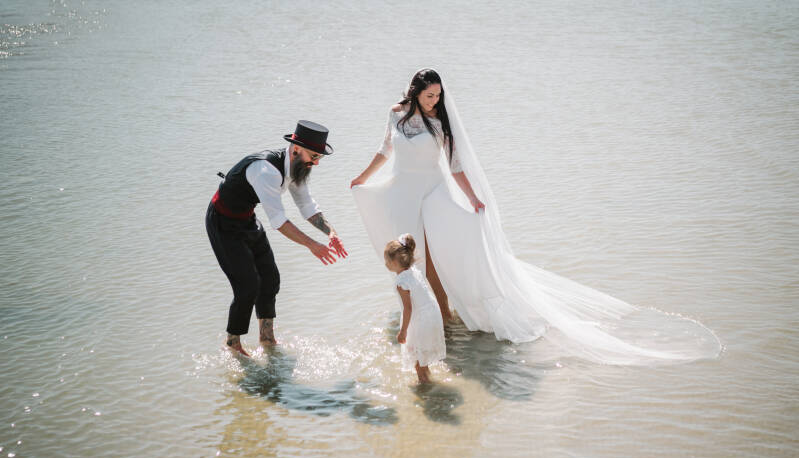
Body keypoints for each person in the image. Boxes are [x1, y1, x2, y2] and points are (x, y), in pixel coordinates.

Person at [351, 69, 720, 364]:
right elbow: (384, 149)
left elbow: (456, 166)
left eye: (439, 96)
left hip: (434, 194)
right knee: (408, 260)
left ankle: (442, 319)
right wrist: (363, 179)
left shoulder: (440, 124)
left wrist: (473, 199)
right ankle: (418, 316)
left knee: (438, 259)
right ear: (415, 93)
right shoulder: (396, 115)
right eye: (430, 95)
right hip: (402, 190)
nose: (436, 101)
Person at [207, 120, 348, 357]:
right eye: (313, 156)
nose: (316, 163)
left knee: (270, 278)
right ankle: (233, 342)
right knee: (247, 285)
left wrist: (330, 232)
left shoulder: (298, 167)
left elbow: (306, 205)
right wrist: (313, 245)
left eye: (319, 158)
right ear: (295, 150)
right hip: (222, 223)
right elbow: (279, 221)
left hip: (247, 218)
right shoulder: (266, 171)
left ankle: (267, 338)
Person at [384, 233, 445, 383]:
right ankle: (429, 381)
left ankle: (426, 390)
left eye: (387, 261)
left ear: (395, 263)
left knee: (418, 363)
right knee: (422, 359)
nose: (385, 264)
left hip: (421, 321)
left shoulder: (401, 282)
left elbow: (408, 309)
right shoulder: (413, 271)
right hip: (432, 314)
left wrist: (403, 331)